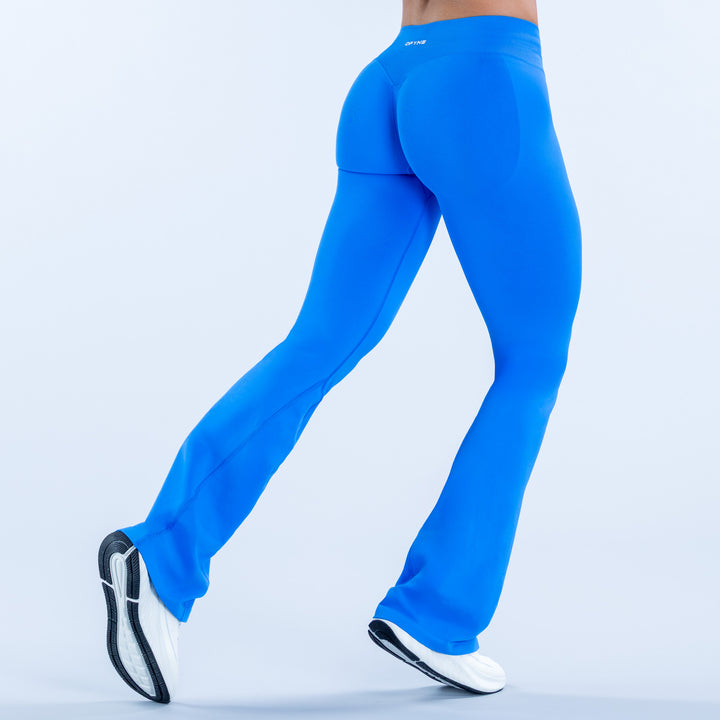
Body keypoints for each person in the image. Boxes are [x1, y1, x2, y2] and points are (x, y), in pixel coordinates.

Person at [98, 0, 581, 703]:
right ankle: (437, 614)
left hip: (392, 79)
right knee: (532, 362)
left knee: (320, 341)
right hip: (484, 82)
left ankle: (161, 556)